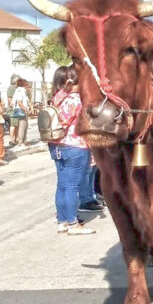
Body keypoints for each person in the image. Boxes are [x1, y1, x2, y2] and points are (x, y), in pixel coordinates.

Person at [49, 66, 95, 235]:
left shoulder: (59, 96)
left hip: (56, 145)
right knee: (72, 186)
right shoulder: (77, 100)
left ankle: (62, 221)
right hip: (75, 146)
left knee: (62, 185)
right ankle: (72, 223)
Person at [12, 78, 30, 148]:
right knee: (22, 126)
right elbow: (20, 102)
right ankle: (20, 142)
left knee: (25, 126)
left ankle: (24, 141)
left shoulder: (22, 91)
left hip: (23, 110)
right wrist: (25, 109)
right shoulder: (20, 91)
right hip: (22, 110)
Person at [6, 74, 20, 145]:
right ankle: (11, 139)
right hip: (12, 110)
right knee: (13, 125)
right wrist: (13, 105)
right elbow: (10, 99)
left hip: (17, 109)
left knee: (16, 125)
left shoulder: (16, 88)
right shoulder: (11, 88)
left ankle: (16, 139)